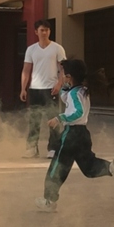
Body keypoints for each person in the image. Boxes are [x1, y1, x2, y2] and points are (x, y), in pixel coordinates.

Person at [35, 59, 114, 213]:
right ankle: (111, 168)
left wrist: (59, 118)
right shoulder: (82, 90)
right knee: (89, 167)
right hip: (83, 134)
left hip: (71, 134)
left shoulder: (74, 94)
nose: (60, 76)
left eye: (62, 74)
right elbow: (66, 96)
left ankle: (49, 200)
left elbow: (77, 112)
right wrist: (61, 86)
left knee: (57, 167)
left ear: (69, 77)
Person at [20, 19, 66, 159]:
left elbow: (63, 69)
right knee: (34, 120)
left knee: (53, 119)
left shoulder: (57, 48)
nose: (44, 32)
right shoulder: (31, 49)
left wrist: (59, 84)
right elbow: (26, 70)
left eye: (47, 30)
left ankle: (53, 148)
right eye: (42, 30)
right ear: (36, 32)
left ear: (50, 31)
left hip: (51, 88)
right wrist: (23, 88)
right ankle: (32, 148)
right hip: (35, 89)